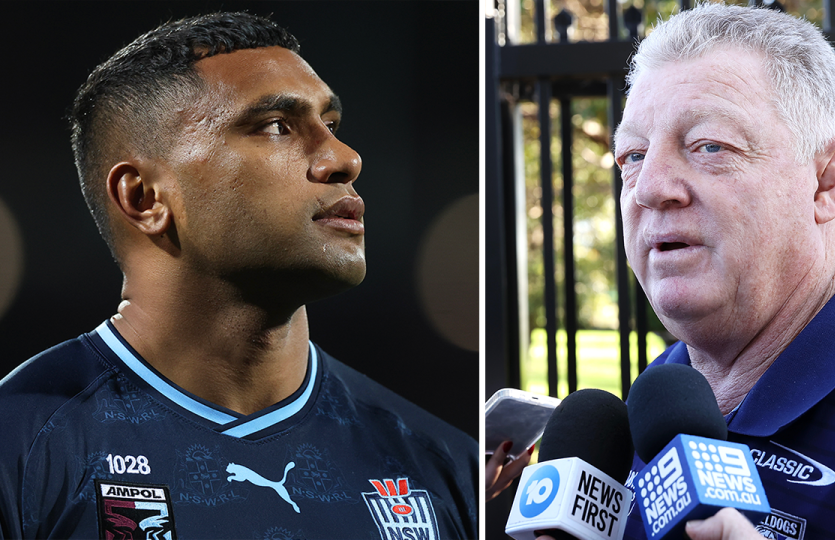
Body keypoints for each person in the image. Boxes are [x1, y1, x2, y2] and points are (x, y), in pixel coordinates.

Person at [0, 12, 477, 540]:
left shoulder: (444, 467)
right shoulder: (22, 444)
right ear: (144, 197)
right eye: (277, 126)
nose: (344, 158)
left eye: (332, 125)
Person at [610, 3, 835, 539]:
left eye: (709, 146)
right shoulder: (655, 404)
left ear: (829, 181)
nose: (651, 186)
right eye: (632, 155)